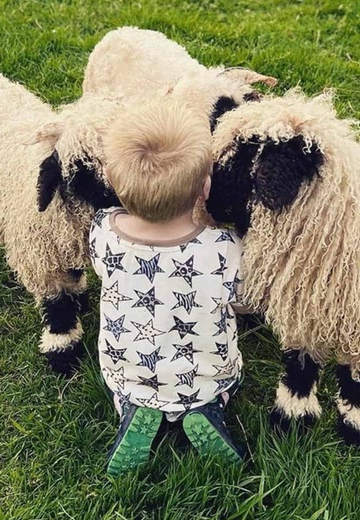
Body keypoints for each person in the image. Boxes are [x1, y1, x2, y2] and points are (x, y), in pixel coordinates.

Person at [90, 98, 247, 476]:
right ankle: (206, 410)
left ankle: (136, 410)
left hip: (129, 375)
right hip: (207, 377)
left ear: (111, 181)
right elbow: (243, 300)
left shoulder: (103, 231)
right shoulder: (223, 249)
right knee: (219, 377)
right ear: (205, 187)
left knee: (129, 385)